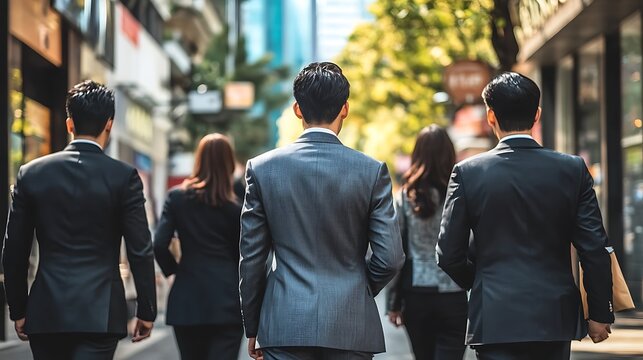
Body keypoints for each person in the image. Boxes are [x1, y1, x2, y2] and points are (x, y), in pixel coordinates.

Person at [436, 72, 614, 360]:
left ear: (491, 116)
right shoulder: (572, 169)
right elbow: (594, 246)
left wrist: (483, 281)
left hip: (494, 316)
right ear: (538, 115)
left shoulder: (467, 173)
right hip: (553, 315)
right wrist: (599, 312)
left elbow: (448, 254)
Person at [239, 62, 405, 360]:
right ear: (345, 108)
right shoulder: (371, 171)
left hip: (285, 323)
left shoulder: (262, 169)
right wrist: (359, 286)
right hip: (350, 324)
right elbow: (390, 258)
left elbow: (252, 259)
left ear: (297, 110)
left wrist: (254, 324)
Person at [2, 80, 156, 360]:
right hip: (100, 314)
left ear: (69, 123)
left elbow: (14, 250)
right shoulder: (124, 177)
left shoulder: (32, 174)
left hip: (46, 312)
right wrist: (146, 310)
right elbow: (140, 249)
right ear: (109, 124)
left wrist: (19, 308)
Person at [154, 133, 243, 360]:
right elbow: (244, 255)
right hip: (226, 300)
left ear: (198, 160)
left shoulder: (177, 199)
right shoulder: (236, 208)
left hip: (187, 299)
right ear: (229, 163)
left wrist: (174, 271)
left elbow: (159, 245)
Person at [387, 125, 467, 360]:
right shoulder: (462, 192)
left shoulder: (405, 196)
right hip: (454, 291)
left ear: (418, 154)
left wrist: (393, 301)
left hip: (416, 293)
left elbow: (397, 251)